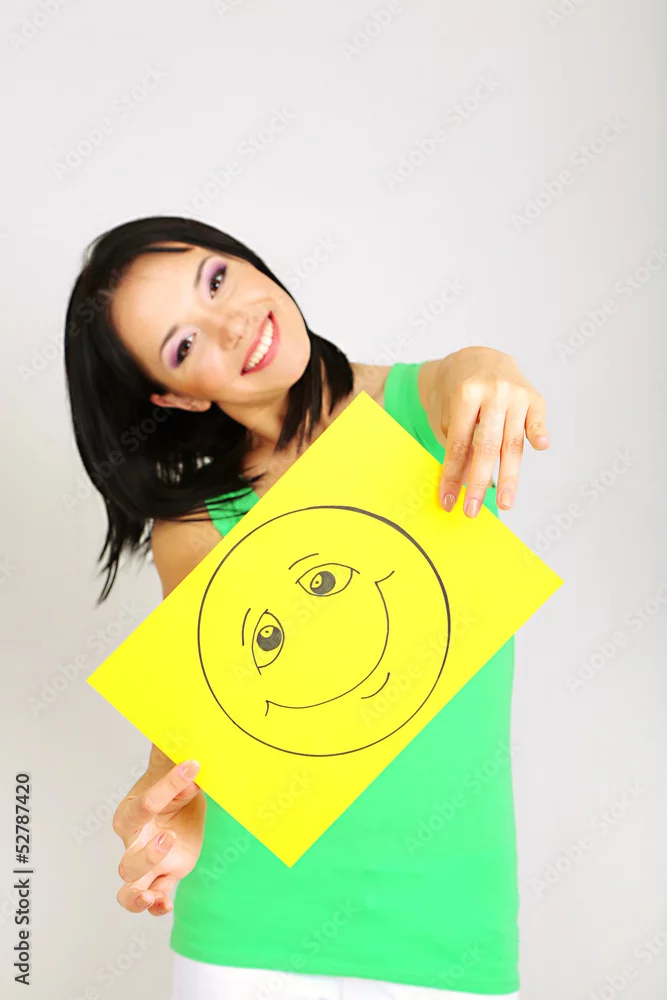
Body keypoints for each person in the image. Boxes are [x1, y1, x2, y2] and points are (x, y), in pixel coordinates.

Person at [63, 215, 549, 1000]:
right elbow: (195, 732)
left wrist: (489, 366)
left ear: (245, 261)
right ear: (173, 396)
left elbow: (468, 376)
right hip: (244, 936)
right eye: (183, 346)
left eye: (215, 279)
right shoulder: (196, 522)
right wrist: (167, 812)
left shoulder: (431, 408)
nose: (230, 324)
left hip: (448, 932)